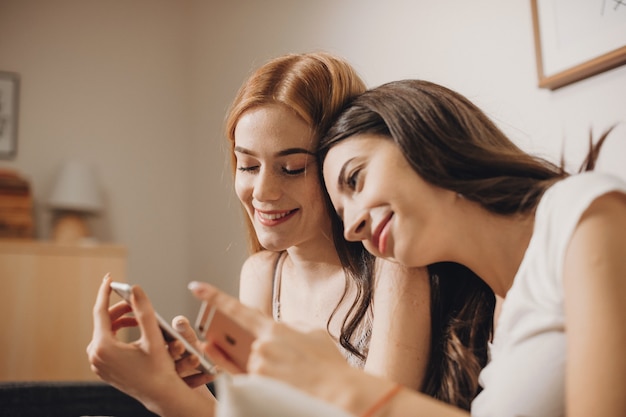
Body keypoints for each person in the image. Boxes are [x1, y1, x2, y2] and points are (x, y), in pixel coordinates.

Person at [188, 79, 626, 417]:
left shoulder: (582, 215)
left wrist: (337, 382)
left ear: (421, 137)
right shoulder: (488, 323)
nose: (354, 225)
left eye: (355, 180)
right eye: (342, 214)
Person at [88, 56, 492, 416]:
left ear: (338, 163)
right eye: (247, 166)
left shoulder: (393, 266)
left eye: (292, 168)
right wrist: (165, 389)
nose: (262, 191)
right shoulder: (261, 276)